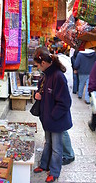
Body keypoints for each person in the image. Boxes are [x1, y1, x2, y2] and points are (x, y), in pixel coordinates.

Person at [33, 46, 72, 182]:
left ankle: (54, 172)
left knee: (56, 147)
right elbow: (41, 92)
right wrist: (36, 95)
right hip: (48, 118)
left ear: (43, 63)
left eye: (38, 65)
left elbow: (65, 102)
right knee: (48, 143)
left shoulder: (58, 76)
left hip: (56, 120)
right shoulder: (46, 76)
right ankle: (44, 165)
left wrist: (53, 116)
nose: (38, 68)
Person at [57, 51, 75, 165]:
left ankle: (69, 154)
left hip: (62, 103)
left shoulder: (62, 67)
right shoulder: (66, 63)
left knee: (62, 129)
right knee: (61, 129)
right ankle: (65, 152)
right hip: (64, 102)